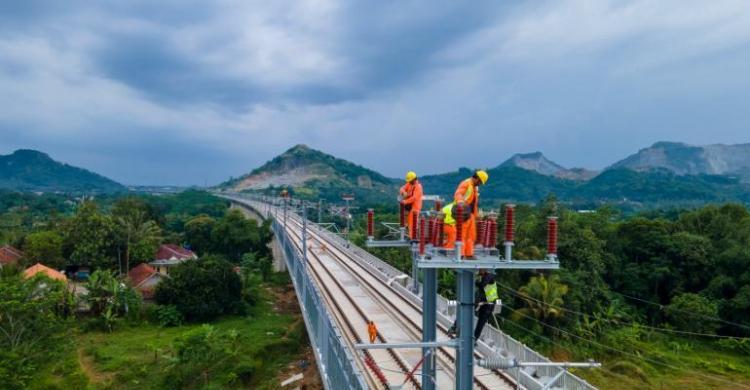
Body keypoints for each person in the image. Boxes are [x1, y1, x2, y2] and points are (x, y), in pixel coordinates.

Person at [447, 271, 500, 344]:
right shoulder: (482, 275)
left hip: (489, 304)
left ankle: (474, 339)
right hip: (482, 301)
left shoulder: (490, 275)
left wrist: (474, 280)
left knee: (481, 322)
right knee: (466, 310)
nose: (478, 270)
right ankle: (455, 326)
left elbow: (482, 285)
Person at [453, 170, 489, 259]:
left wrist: (476, 215)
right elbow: (458, 194)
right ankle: (460, 254)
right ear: (477, 178)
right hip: (464, 214)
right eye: (480, 182)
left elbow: (473, 203)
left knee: (471, 235)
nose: (480, 184)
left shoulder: (474, 187)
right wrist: (461, 203)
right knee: (462, 234)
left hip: (470, 214)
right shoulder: (466, 184)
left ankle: (469, 254)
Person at [400, 171, 423, 239]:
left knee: (412, 223)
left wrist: (405, 201)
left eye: (410, 180)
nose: (408, 182)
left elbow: (414, 198)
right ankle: (411, 236)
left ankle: (413, 238)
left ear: (414, 179)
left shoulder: (418, 187)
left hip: (415, 207)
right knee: (408, 221)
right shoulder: (409, 184)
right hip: (409, 206)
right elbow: (401, 188)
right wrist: (403, 192)